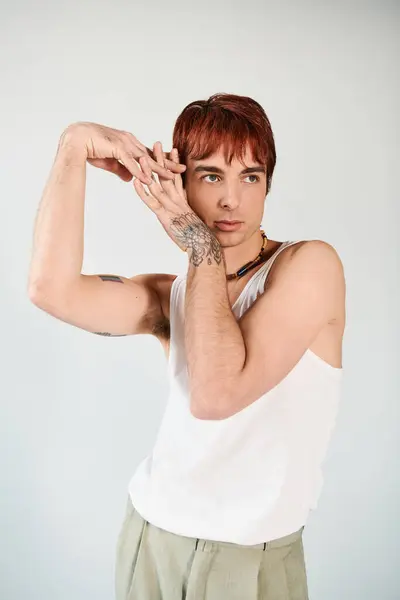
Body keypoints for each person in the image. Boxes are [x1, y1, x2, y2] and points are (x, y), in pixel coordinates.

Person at [28, 93, 346, 599]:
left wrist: (198, 244)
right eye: (211, 175)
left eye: (251, 177)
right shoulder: (172, 294)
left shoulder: (309, 267)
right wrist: (73, 146)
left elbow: (216, 394)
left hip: (250, 558)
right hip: (153, 537)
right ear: (179, 180)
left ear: (267, 185)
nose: (231, 200)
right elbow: (51, 289)